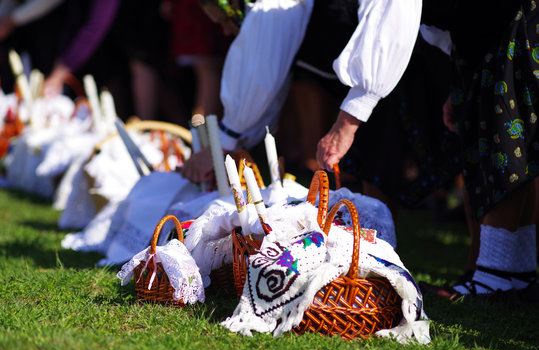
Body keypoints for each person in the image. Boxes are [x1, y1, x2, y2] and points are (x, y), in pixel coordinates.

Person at [181, 0, 422, 184]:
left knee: (384, 165)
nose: (225, 31)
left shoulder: (272, 11)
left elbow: (260, 66)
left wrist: (224, 140)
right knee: (371, 172)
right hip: (376, 70)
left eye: (225, 19)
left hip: (399, 58)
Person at [414, 1, 538, 301]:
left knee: (507, 146)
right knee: (507, 145)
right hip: (485, 36)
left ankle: (493, 274)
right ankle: (516, 272)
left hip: (509, 26)